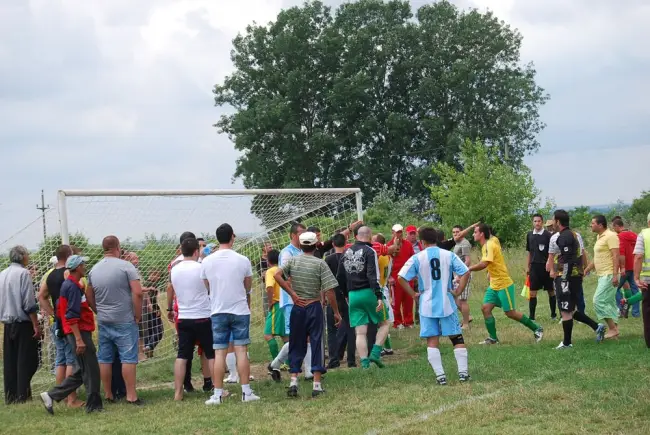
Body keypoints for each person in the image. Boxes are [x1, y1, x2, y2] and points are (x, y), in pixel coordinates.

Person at [398, 227, 471, 385]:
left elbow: (401, 277)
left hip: (426, 304)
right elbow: (465, 272)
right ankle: (463, 374)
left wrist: (412, 294)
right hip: (447, 302)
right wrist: (458, 290)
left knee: (432, 339)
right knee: (456, 336)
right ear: (437, 239)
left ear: (422, 242)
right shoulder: (448, 255)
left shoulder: (417, 257)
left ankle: (440, 376)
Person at [274, 231, 341, 397]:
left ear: (301, 244)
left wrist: (292, 294)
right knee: (317, 342)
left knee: (296, 342)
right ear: (315, 244)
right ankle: (316, 385)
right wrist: (336, 312)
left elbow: (277, 275)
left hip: (298, 307)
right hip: (313, 306)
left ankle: (293, 381)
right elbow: (329, 290)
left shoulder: (293, 261)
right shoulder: (320, 264)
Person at [202, 223, 260, 405]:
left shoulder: (207, 261)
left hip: (218, 310)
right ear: (232, 237)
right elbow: (248, 286)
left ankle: (217, 394)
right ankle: (246, 391)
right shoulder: (242, 260)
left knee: (219, 353)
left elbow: (207, 286)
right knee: (241, 350)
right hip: (240, 310)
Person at [40, 255, 103, 414]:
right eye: (83, 264)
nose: (85, 266)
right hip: (78, 331)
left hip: (75, 331)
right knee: (91, 368)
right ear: (77, 268)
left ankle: (51, 395)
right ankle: (93, 406)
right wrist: (79, 339)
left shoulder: (69, 285)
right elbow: (72, 315)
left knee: (83, 369)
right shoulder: (73, 287)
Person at [86, 236, 144, 405]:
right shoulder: (126, 266)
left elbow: (89, 294)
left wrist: (98, 310)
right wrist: (137, 314)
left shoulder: (94, 269)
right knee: (128, 358)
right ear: (118, 247)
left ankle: (109, 393)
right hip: (125, 319)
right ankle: (131, 395)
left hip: (104, 320)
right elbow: (138, 292)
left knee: (105, 358)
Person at [469, 224, 544, 344]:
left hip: (504, 283)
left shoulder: (489, 244)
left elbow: (484, 263)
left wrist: (468, 269)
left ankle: (537, 329)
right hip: (494, 284)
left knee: (510, 313)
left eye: (475, 232)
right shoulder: (492, 241)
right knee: (485, 308)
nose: (473, 234)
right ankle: (493, 338)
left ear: (482, 234)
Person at [168, 237, 215, 401]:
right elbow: (210, 287)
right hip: (203, 316)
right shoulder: (201, 267)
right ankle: (217, 389)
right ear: (196, 251)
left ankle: (178, 393)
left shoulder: (174, 269)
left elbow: (173, 289)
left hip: (184, 317)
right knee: (211, 354)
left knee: (182, 356)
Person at [550, 210, 606, 349]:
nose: (552, 223)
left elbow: (568, 260)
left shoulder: (565, 237)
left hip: (567, 277)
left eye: (553, 220)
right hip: (572, 277)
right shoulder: (572, 234)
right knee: (570, 309)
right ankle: (596, 326)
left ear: (558, 221)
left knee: (565, 310)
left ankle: (567, 343)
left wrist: (564, 279)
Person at [337, 226, 390, 369]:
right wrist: (379, 296)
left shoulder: (345, 252)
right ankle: (375, 352)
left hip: (353, 295)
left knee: (360, 332)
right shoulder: (370, 251)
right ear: (370, 235)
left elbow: (339, 277)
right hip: (369, 292)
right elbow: (372, 275)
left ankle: (365, 364)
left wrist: (346, 294)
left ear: (356, 236)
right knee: (384, 323)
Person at [37, 244, 83, 408]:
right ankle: (71, 399)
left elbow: (41, 296)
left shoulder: (49, 275)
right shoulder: (67, 274)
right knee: (71, 360)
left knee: (60, 360)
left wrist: (52, 313)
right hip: (67, 323)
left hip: (55, 322)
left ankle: (61, 395)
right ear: (70, 256)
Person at [270, 222, 313, 378]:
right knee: (297, 337)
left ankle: (307, 370)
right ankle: (279, 364)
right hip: (291, 301)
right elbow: (286, 278)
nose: (304, 236)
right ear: (293, 235)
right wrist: (295, 293)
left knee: (305, 336)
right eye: (301, 233)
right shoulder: (287, 252)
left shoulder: (306, 251)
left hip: (306, 299)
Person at [0, 245, 40, 404]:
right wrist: (35, 324)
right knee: (26, 360)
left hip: (8, 323)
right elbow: (28, 302)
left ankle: (11, 395)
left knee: (10, 361)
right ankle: (23, 394)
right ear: (23, 256)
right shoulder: (24, 273)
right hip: (23, 322)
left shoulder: (2, 274)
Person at [584, 215, 620, 339]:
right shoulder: (600, 236)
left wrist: (615, 275)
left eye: (593, 223)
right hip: (602, 274)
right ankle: (615, 332)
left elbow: (616, 256)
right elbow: (597, 257)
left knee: (598, 300)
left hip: (609, 274)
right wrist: (588, 268)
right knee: (609, 302)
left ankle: (612, 328)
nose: (591, 225)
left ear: (600, 225)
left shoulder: (611, 236)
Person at [324, 233, 354, 369]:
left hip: (332, 295)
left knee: (332, 329)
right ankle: (350, 358)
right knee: (349, 327)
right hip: (348, 295)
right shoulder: (350, 256)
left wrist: (323, 296)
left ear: (333, 244)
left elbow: (323, 280)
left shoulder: (328, 259)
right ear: (346, 242)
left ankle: (333, 358)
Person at [525, 214, 557, 321]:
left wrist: (551, 266)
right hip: (534, 267)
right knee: (532, 292)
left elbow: (552, 253)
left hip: (546, 267)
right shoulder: (530, 235)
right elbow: (529, 252)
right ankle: (532, 317)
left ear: (542, 222)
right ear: (532, 223)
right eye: (535, 221)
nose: (537, 223)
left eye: (539, 221)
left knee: (551, 290)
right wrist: (528, 266)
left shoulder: (548, 235)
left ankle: (553, 314)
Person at [263, 249, 287, 370]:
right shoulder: (281, 270)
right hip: (285, 304)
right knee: (285, 336)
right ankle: (289, 363)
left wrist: (270, 301)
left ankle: (277, 363)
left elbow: (269, 287)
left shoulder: (270, 271)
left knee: (268, 334)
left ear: (268, 261)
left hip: (276, 304)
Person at [387, 224, 415, 329]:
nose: (399, 234)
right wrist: (389, 277)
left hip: (408, 277)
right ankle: (397, 322)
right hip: (395, 277)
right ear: (392, 232)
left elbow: (413, 260)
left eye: (400, 232)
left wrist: (414, 274)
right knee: (396, 301)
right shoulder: (389, 245)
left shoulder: (408, 244)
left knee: (408, 300)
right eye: (397, 232)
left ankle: (408, 321)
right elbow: (386, 263)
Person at [612, 217, 640, 318]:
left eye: (613, 227)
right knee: (634, 289)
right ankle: (636, 312)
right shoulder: (633, 234)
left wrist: (622, 267)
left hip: (625, 267)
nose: (613, 230)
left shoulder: (621, 236)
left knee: (614, 288)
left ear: (617, 226)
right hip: (634, 265)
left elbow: (621, 253)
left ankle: (621, 308)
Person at [630, 213, 650, 347]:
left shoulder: (644, 235)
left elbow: (638, 256)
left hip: (648, 280)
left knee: (648, 311)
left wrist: (636, 278)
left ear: (649, 222)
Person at [373, 233, 394, 356]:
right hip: (384, 286)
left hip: (379, 289)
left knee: (380, 321)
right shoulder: (389, 257)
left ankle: (381, 347)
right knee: (383, 320)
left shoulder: (378, 257)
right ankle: (387, 347)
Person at [451, 225, 473, 329]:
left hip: (463, 274)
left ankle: (465, 324)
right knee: (456, 298)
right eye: (454, 232)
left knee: (463, 300)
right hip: (457, 275)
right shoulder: (457, 243)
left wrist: (460, 275)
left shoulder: (464, 243)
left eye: (458, 232)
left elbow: (467, 260)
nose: (455, 234)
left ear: (462, 232)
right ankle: (467, 317)